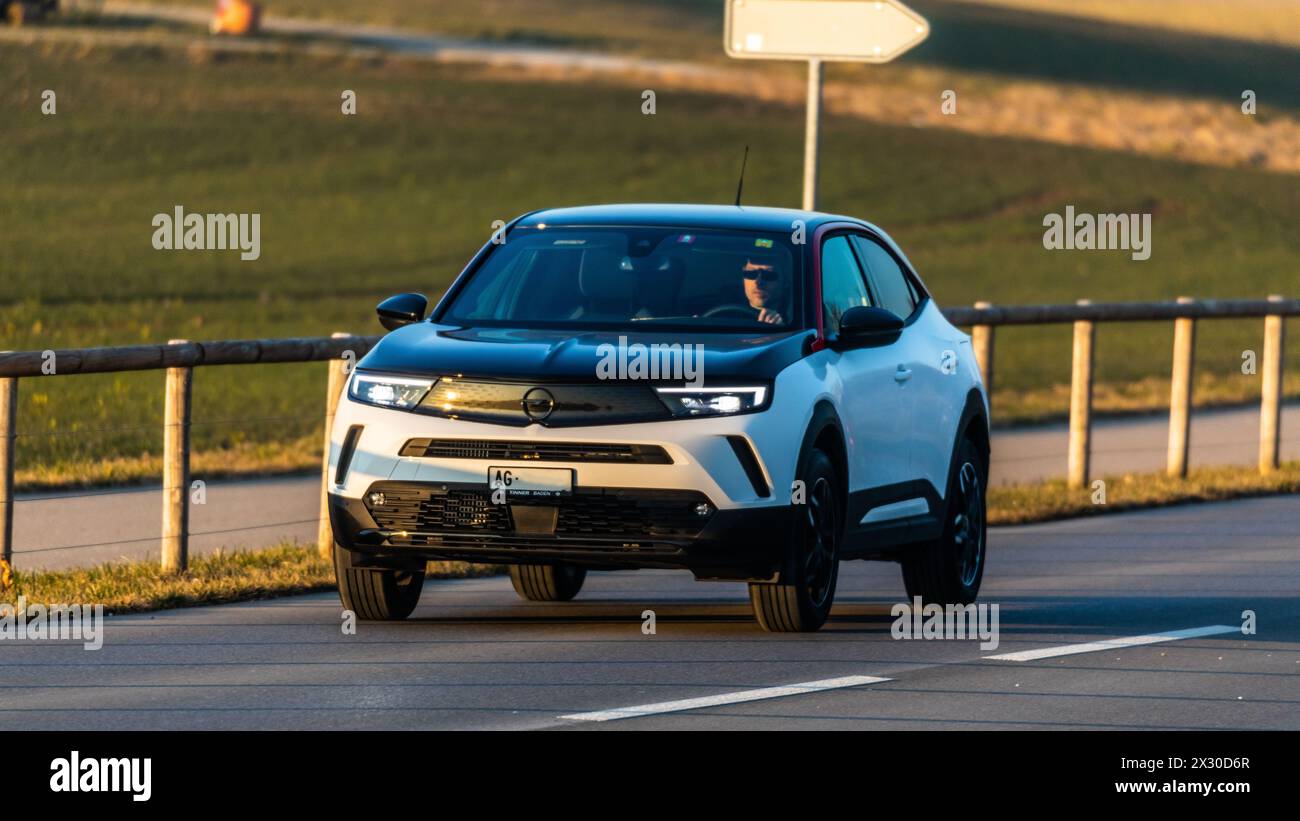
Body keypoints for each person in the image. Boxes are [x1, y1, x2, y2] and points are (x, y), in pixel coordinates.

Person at [740, 257, 788, 324]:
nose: (758, 282)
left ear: (784, 281)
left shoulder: (800, 316)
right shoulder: (728, 314)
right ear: (743, 280)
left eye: (769, 275)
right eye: (751, 274)